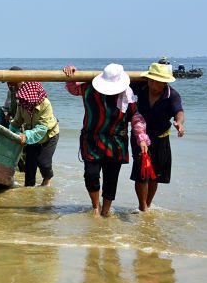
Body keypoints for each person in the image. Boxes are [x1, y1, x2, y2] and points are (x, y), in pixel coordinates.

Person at [63, 63, 148, 217]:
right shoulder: (89, 89)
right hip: (92, 139)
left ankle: (106, 210)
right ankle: (96, 206)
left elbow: (136, 118)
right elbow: (73, 88)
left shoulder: (128, 96)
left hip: (116, 142)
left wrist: (141, 137)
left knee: (111, 178)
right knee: (91, 174)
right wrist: (71, 71)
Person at [130, 62, 185, 211]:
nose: (153, 84)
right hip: (140, 137)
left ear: (165, 82)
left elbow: (179, 111)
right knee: (141, 173)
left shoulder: (172, 95)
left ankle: (148, 204)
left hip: (161, 138)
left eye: (158, 81)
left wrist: (179, 123)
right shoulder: (141, 87)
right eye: (151, 80)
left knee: (155, 175)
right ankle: (142, 207)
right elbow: (121, 85)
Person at [8, 81, 60, 187]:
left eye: (26, 98)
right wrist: (10, 132)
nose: (25, 101)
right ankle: (28, 189)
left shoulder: (45, 104)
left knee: (44, 163)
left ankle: (47, 181)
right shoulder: (22, 104)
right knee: (29, 167)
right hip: (32, 137)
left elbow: (42, 128)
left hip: (49, 136)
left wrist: (26, 135)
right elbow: (17, 121)